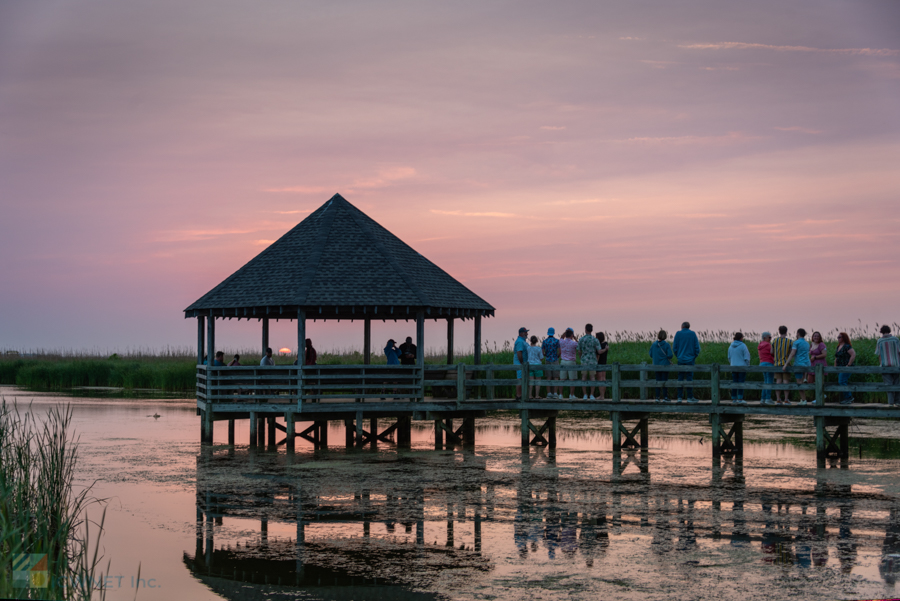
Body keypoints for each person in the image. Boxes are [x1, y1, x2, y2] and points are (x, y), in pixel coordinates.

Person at [673, 321, 701, 403]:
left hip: (681, 359)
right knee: (689, 379)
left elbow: (674, 347)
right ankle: (689, 397)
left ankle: (679, 398)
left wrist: (678, 356)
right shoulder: (692, 334)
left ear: (682, 326)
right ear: (689, 327)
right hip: (690, 360)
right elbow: (697, 348)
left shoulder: (678, 334)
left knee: (680, 378)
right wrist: (693, 356)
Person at [783, 328, 810, 405]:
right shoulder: (807, 343)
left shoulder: (796, 343)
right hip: (807, 364)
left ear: (798, 334)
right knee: (802, 382)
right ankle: (805, 378)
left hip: (798, 364)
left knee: (799, 383)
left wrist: (786, 364)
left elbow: (792, 354)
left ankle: (804, 400)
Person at [876, 325, 900, 407]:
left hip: (885, 365)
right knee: (897, 383)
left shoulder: (880, 341)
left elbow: (879, 354)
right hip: (896, 365)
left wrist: (881, 364)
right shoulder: (895, 339)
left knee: (888, 384)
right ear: (889, 330)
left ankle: (890, 403)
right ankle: (897, 402)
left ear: (881, 331)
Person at [578, 324, 601, 400]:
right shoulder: (595, 340)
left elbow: (579, 350)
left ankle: (585, 394)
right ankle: (591, 394)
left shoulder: (581, 339)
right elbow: (599, 351)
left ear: (585, 329)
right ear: (592, 330)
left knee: (584, 377)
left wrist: (581, 357)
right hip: (592, 360)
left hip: (584, 360)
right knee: (592, 377)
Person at [649, 330, 673, 403]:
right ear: (665, 336)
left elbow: (650, 354)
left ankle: (657, 397)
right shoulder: (667, 345)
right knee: (664, 381)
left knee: (658, 382)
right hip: (665, 366)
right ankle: (665, 397)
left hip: (656, 366)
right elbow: (670, 355)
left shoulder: (653, 344)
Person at [728, 332, 751, 404]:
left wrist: (732, 363)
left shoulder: (730, 346)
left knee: (735, 382)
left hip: (733, 367)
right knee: (741, 382)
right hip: (742, 367)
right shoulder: (743, 346)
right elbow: (747, 357)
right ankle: (740, 399)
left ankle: (734, 399)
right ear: (741, 338)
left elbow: (729, 357)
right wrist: (747, 366)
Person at [834, 332, 856, 405]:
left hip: (845, 367)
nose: (838, 339)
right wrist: (835, 366)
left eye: (840, 337)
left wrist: (848, 365)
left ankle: (849, 397)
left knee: (842, 381)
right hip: (839, 367)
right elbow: (836, 358)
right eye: (838, 337)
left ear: (844, 338)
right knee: (842, 381)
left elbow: (853, 354)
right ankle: (845, 398)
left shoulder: (847, 346)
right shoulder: (838, 346)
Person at [772, 326, 792, 404]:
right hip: (786, 364)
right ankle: (786, 399)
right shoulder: (789, 341)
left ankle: (778, 399)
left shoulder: (775, 340)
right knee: (786, 381)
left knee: (778, 381)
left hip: (777, 363)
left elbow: (771, 351)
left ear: (779, 332)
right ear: (786, 332)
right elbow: (791, 353)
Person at [559, 328, 578, 400]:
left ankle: (560, 395)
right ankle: (571, 395)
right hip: (571, 361)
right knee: (572, 379)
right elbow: (579, 345)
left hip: (563, 361)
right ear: (572, 335)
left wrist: (564, 333)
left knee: (562, 379)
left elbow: (561, 338)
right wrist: (575, 338)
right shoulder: (574, 343)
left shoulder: (562, 342)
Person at [808, 331, 828, 401]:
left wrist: (815, 357)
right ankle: (820, 395)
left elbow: (824, 354)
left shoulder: (821, 344)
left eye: (817, 336)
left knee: (818, 381)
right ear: (812, 337)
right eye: (814, 336)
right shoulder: (811, 344)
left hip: (819, 364)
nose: (816, 337)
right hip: (812, 364)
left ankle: (819, 396)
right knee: (810, 381)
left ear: (820, 337)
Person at [542, 327, 561, 399]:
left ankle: (549, 393)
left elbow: (542, 352)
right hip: (555, 359)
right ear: (554, 333)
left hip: (547, 360)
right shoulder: (556, 341)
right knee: (556, 377)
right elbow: (560, 352)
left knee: (548, 377)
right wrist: (557, 356)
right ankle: (555, 393)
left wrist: (546, 355)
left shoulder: (545, 341)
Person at [758, 333, 775, 405]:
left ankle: (763, 398)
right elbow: (772, 353)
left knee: (765, 381)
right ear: (765, 338)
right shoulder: (768, 345)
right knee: (769, 382)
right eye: (769, 337)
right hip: (769, 363)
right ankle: (768, 398)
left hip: (762, 363)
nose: (770, 339)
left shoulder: (760, 345)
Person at [513, 327, 530, 401]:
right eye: (525, 332)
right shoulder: (520, 341)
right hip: (520, 363)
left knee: (522, 378)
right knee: (520, 379)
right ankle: (519, 395)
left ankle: (521, 394)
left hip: (523, 363)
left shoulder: (523, 341)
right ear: (521, 333)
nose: (527, 333)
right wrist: (522, 362)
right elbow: (519, 353)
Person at [595, 332, 609, 400]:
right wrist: (605, 349)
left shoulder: (599, 345)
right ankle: (602, 395)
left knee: (600, 379)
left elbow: (598, 353)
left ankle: (602, 396)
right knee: (603, 378)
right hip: (604, 363)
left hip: (600, 363)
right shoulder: (606, 344)